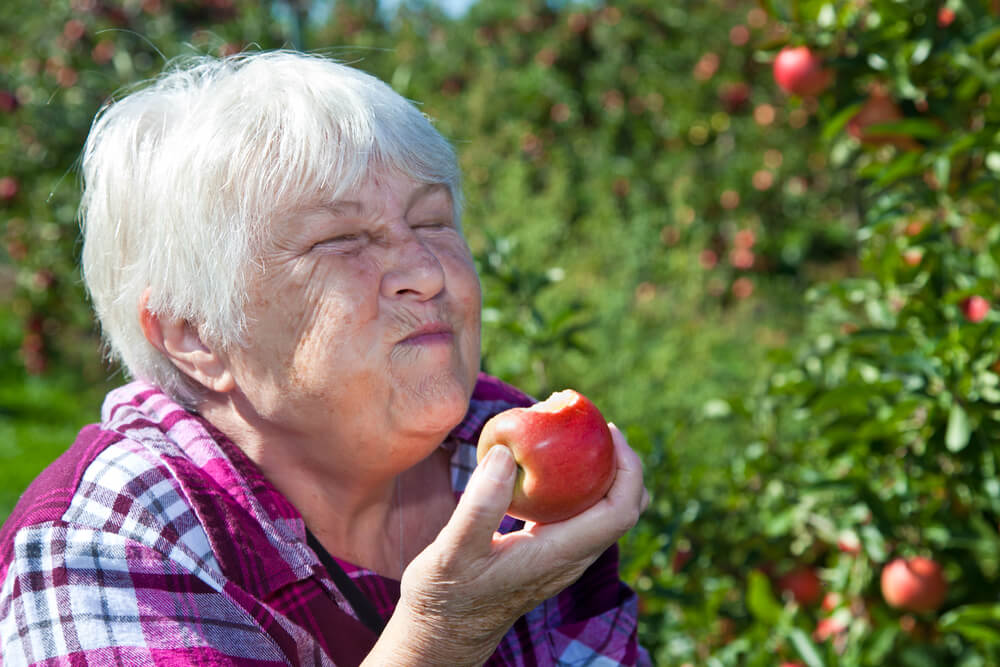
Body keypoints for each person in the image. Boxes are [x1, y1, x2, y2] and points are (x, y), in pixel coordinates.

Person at [0, 50, 650, 666]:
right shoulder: (105, 541)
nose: (426, 271)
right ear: (194, 334)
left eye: (431, 221)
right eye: (341, 240)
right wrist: (449, 631)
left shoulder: (507, 455)